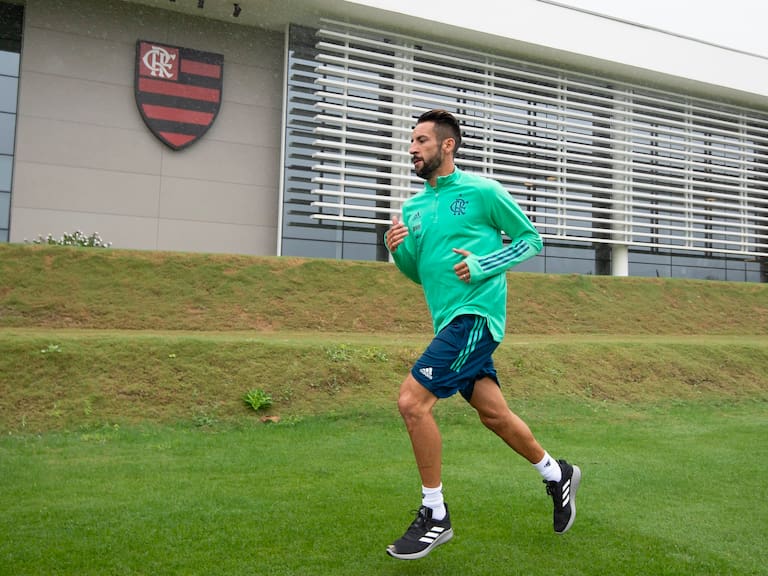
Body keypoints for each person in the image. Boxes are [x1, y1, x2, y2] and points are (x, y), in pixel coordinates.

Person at [384, 109, 581, 560]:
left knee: (412, 402)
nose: (411, 149)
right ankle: (557, 473)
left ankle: (434, 514)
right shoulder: (413, 208)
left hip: (476, 318)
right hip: (448, 319)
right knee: (494, 415)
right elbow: (423, 275)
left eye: (420, 141)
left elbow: (530, 239)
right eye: (411, 142)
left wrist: (482, 265)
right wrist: (399, 252)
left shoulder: (482, 192)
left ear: (447, 145)